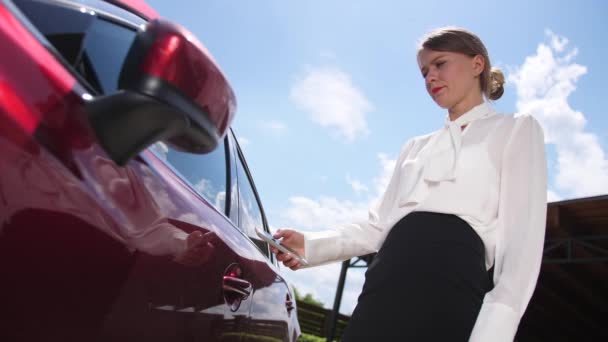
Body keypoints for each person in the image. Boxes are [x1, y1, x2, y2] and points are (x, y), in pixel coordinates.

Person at [271, 26, 547, 341]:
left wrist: (492, 334)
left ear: (477, 64)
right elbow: (378, 227)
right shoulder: (414, 147)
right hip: (385, 280)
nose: (430, 77)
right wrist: (310, 244)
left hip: (453, 287)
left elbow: (521, 250)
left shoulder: (516, 130)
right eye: (424, 72)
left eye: (440, 64)